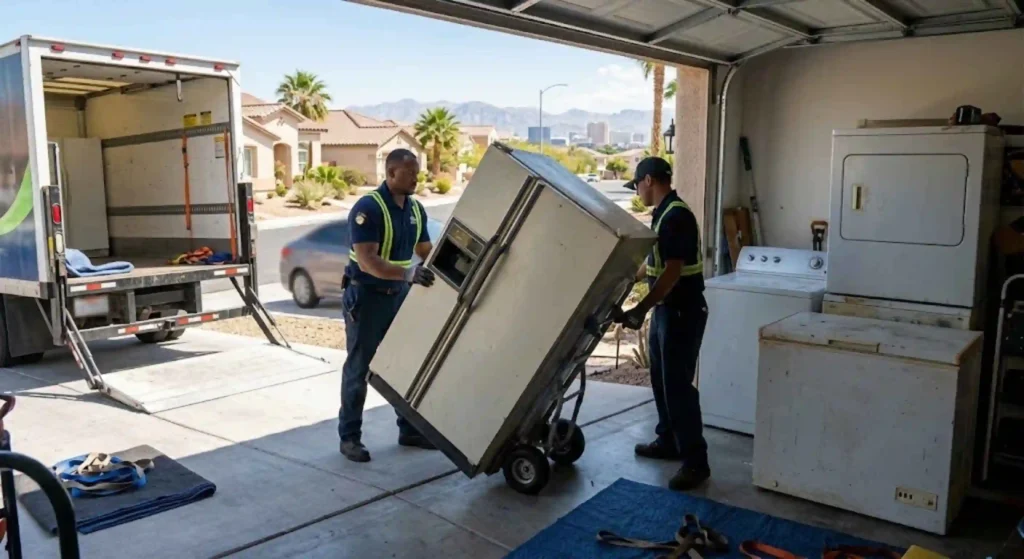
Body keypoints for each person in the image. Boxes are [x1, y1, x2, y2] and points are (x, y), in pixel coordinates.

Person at [615, 156, 710, 491]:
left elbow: (671, 272)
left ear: (650, 180)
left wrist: (640, 308)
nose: (637, 191)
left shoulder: (676, 217)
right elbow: (651, 267)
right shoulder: (662, 215)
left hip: (682, 313)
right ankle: (668, 440)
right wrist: (623, 279)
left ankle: (696, 462)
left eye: (637, 184)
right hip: (668, 312)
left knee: (679, 388)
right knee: (660, 380)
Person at [339, 148, 437, 463]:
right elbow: (368, 262)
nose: (417, 178)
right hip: (366, 298)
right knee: (359, 368)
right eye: (411, 173)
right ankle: (349, 438)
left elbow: (425, 249)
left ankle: (408, 430)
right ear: (392, 173)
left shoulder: (416, 209)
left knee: (402, 365)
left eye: (417, 172)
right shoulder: (368, 209)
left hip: (397, 297)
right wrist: (409, 274)